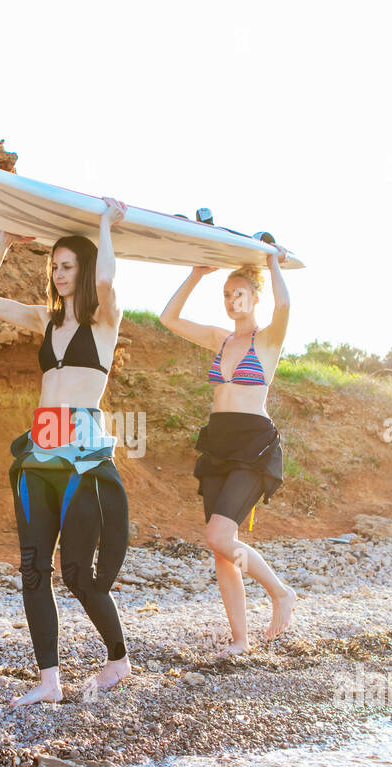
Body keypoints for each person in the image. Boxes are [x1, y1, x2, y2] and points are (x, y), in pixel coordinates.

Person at [0, 199, 132, 706]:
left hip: (82, 453)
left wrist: (107, 224)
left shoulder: (104, 320)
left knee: (78, 574)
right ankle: (48, 681)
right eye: (54, 267)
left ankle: (118, 659)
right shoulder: (46, 318)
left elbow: (106, 282)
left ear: (82, 269)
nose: (59, 274)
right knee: (34, 566)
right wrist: (2, 239)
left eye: (68, 266)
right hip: (40, 448)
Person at [157, 247, 298, 656]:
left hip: (253, 443)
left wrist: (273, 262)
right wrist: (197, 272)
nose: (232, 300)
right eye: (227, 293)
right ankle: (240, 638)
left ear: (255, 297)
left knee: (218, 534)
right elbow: (168, 318)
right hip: (218, 442)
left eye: (240, 293)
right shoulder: (220, 338)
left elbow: (286, 302)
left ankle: (280, 592)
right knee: (222, 547)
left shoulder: (268, 338)